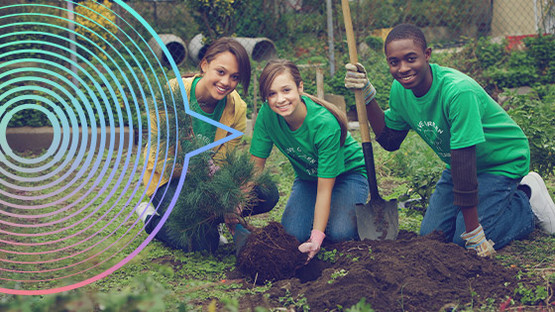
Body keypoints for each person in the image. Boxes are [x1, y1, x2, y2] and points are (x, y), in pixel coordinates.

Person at [344, 23, 555, 257]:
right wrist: (367, 94)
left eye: (410, 58)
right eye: (394, 62)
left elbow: (465, 164)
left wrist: (474, 231)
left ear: (427, 55)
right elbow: (390, 140)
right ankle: (489, 211)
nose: (402, 68)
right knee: (431, 237)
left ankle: (525, 201)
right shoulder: (400, 90)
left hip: (500, 161)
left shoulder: (457, 92)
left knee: (464, 243)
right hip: (458, 164)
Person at [137, 37, 279, 253]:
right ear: (204, 65)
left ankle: (211, 221)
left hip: (207, 179)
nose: (226, 82)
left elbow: (224, 163)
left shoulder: (236, 108)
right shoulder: (173, 94)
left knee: (267, 193)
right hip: (169, 181)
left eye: (234, 77)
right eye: (220, 72)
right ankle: (150, 218)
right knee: (205, 243)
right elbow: (161, 160)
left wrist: (230, 196)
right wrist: (197, 170)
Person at [250, 59, 369, 263]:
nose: (280, 99)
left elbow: (324, 189)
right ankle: (332, 214)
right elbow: (255, 169)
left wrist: (316, 237)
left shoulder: (324, 124)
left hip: (349, 174)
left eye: (286, 90)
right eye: (272, 94)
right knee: (292, 234)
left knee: (340, 233)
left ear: (300, 87)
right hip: (308, 178)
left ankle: (347, 208)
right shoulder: (267, 115)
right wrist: (236, 208)